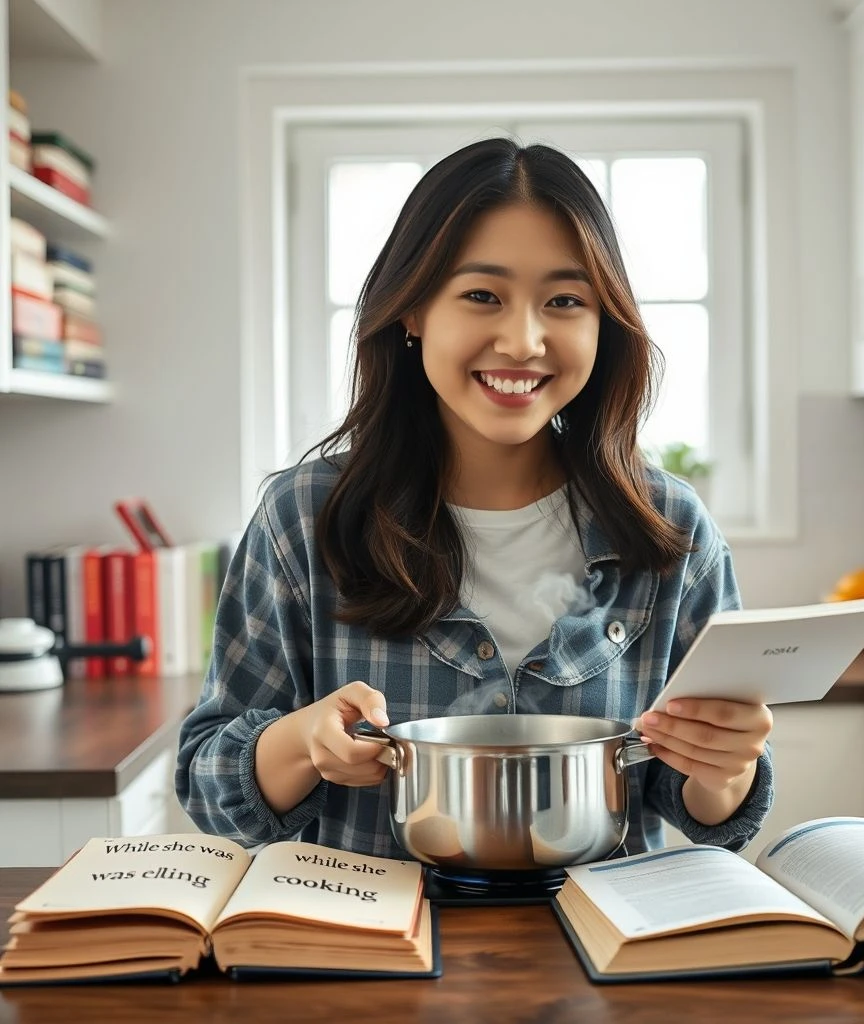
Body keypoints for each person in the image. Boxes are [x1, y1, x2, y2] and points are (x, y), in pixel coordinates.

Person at [176, 137, 774, 859]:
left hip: (604, 955)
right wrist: (300, 744)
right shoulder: (304, 519)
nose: (523, 341)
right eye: (482, 295)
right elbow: (209, 783)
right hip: (376, 955)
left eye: (563, 300)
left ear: (602, 323)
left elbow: (706, 811)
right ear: (413, 310)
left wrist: (725, 765)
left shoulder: (671, 528)